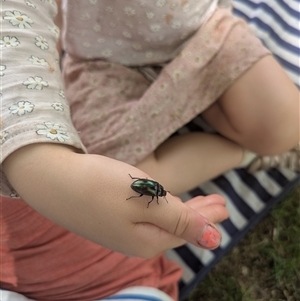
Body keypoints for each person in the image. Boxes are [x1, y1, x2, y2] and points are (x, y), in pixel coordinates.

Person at [0, 1, 298, 301]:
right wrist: (36, 156)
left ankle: (241, 134)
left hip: (201, 32)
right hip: (102, 60)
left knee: (285, 128)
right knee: (115, 169)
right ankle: (244, 154)